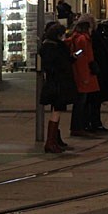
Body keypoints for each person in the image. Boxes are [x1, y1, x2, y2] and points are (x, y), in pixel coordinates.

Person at [39, 22, 78, 154]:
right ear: (58, 35)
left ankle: (53, 141)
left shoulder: (46, 46)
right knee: (56, 112)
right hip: (59, 84)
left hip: (52, 82)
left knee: (56, 111)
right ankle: (50, 142)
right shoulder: (57, 48)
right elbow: (62, 64)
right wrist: (71, 58)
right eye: (62, 35)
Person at [68, 15, 100, 137]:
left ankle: (79, 127)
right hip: (84, 75)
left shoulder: (77, 38)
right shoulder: (83, 40)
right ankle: (78, 128)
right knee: (81, 103)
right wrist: (85, 77)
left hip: (83, 74)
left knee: (81, 103)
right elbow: (81, 57)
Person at [86, 17, 108, 133]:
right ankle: (94, 124)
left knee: (93, 101)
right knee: (94, 101)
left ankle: (92, 124)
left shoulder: (90, 38)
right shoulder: (89, 39)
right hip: (93, 74)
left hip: (93, 74)